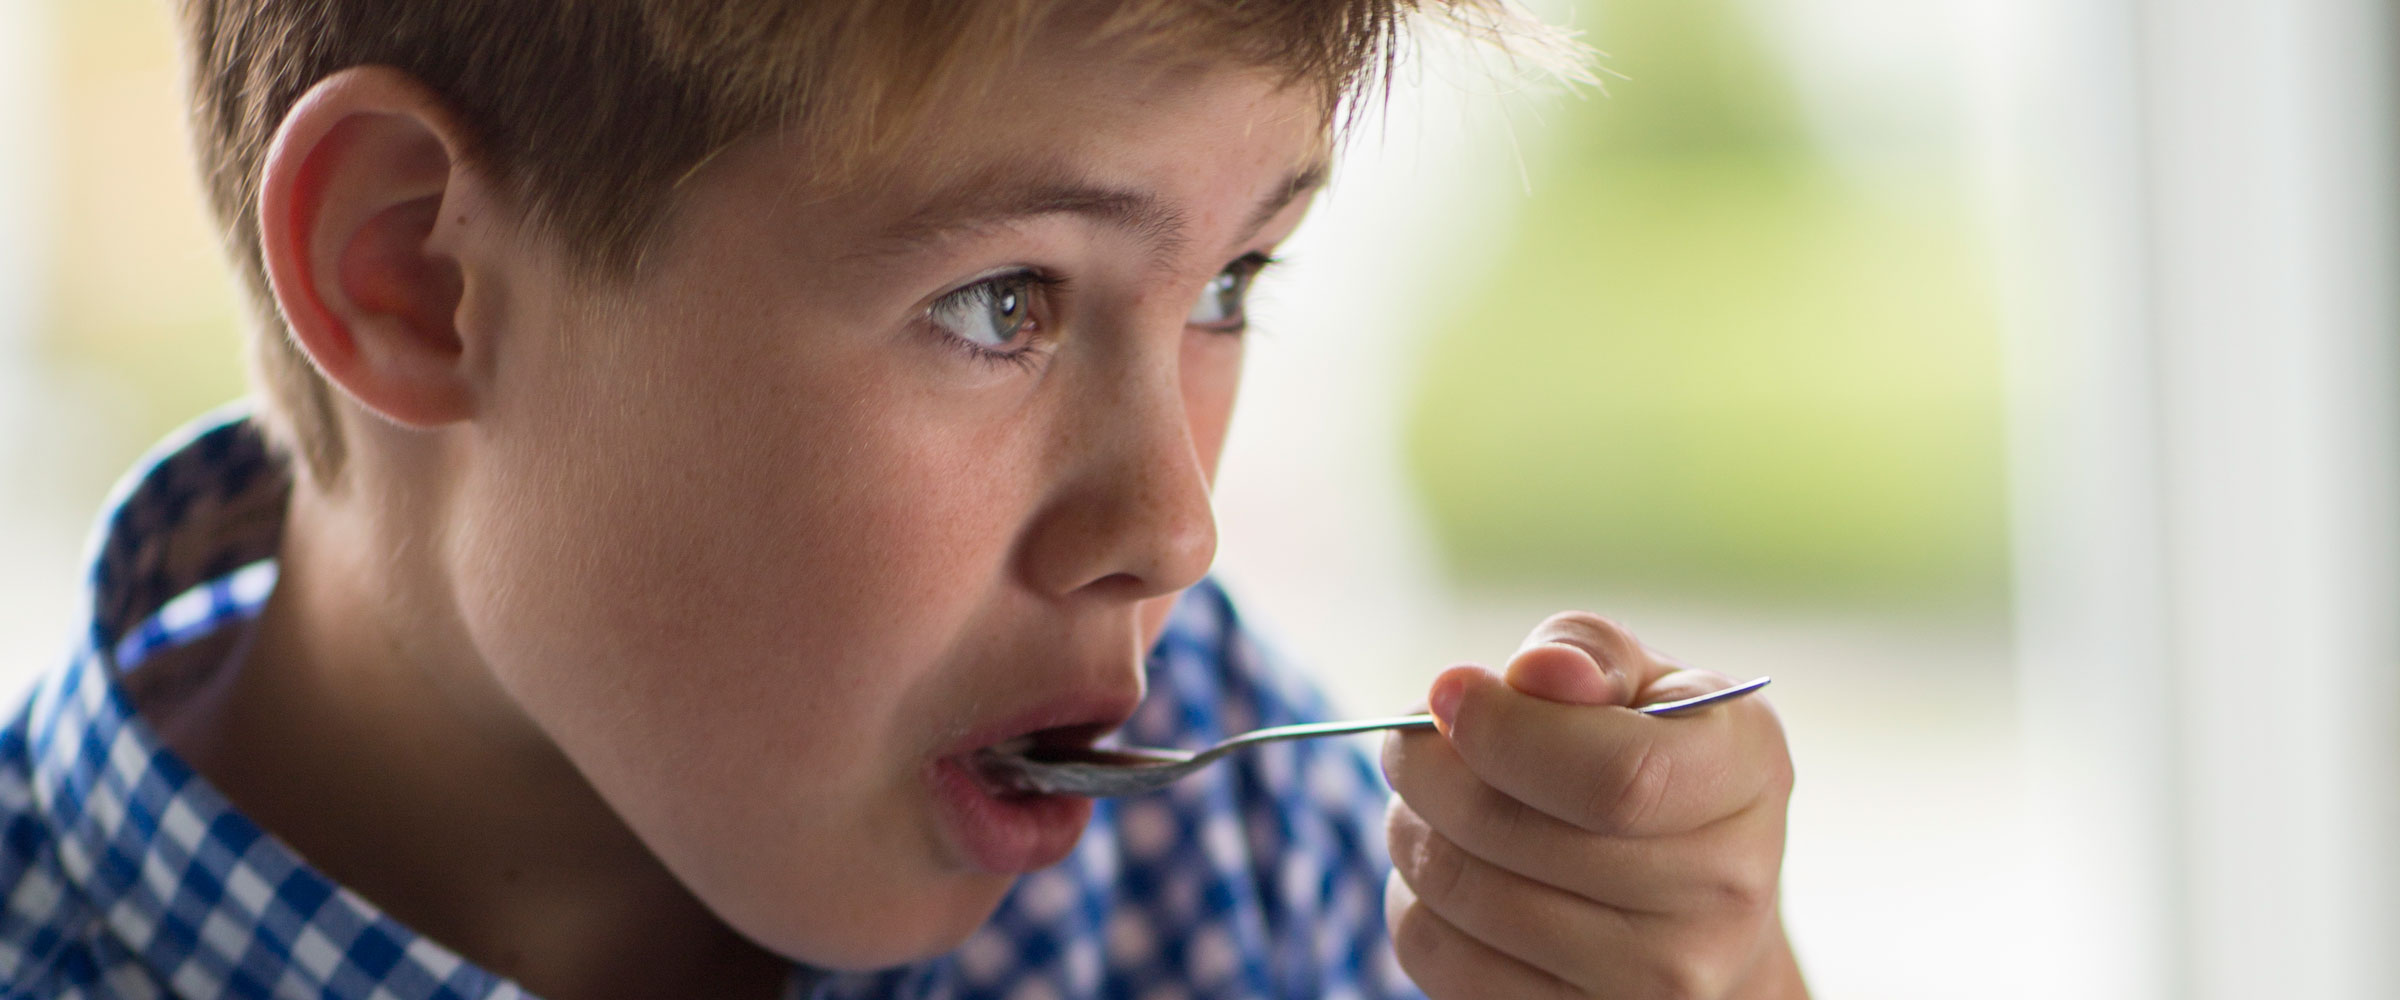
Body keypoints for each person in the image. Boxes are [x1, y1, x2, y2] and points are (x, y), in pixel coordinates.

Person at [0, 1, 1807, 997]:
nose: (1177, 534)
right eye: (999, 302)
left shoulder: (1212, 837)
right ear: (413, 274)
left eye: (1227, 286)